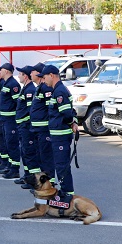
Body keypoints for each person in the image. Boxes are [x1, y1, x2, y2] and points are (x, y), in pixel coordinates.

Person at [39, 64, 79, 194]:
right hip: (58, 135)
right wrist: (74, 122)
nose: (44, 81)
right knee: (60, 165)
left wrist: (71, 123)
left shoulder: (60, 91)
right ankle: (65, 192)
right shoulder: (58, 90)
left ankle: (67, 194)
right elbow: (72, 110)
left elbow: (67, 113)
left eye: (44, 78)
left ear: (51, 75)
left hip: (61, 136)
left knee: (62, 166)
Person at [0, 62, 22, 179]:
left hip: (11, 120)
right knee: (7, 143)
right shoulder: (6, 83)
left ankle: (14, 169)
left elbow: (17, 103)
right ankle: (9, 166)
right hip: (5, 119)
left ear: (7, 71)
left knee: (12, 144)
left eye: (1, 70)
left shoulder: (13, 84)